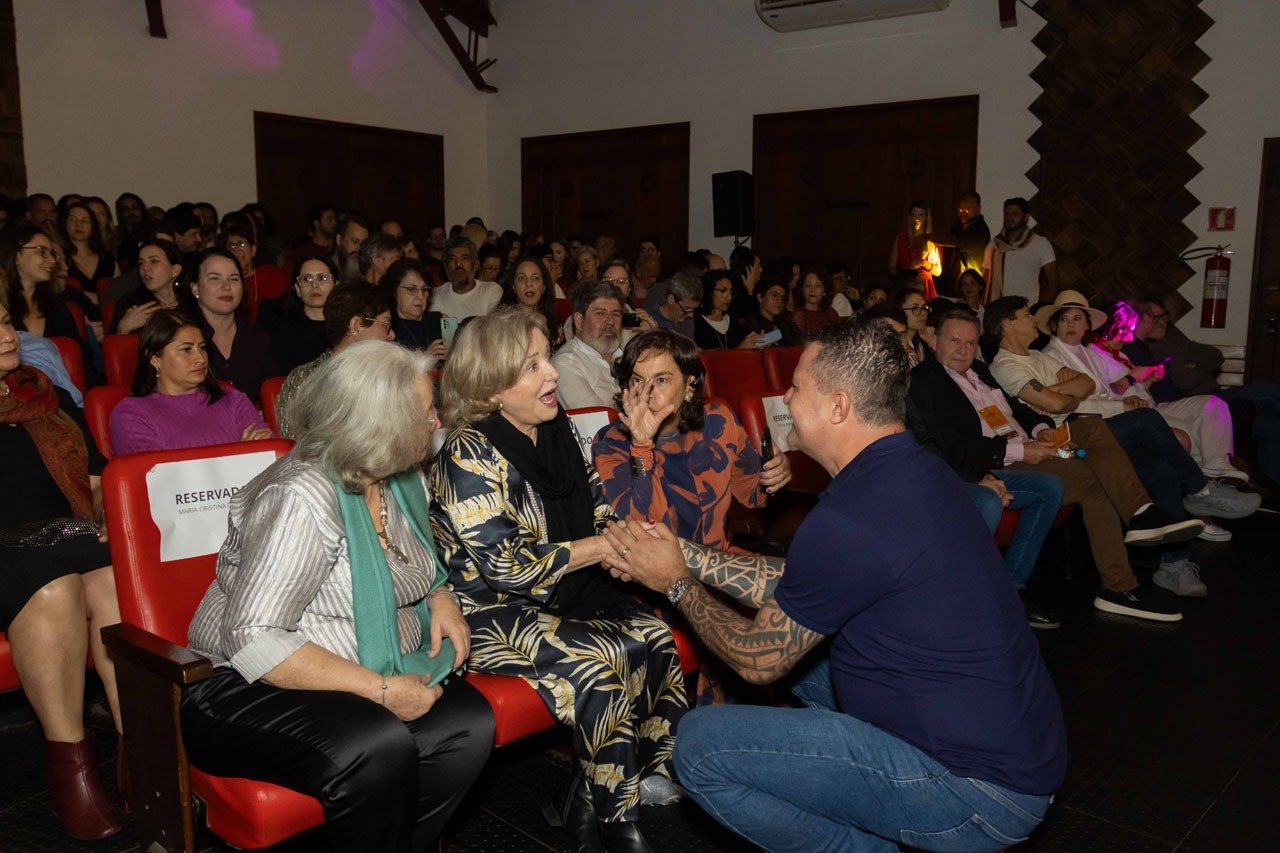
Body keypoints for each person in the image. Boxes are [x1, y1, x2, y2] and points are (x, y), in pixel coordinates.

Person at [603, 319, 1067, 851]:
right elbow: (803, 580)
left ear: (839, 406)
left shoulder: (849, 518)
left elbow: (758, 660)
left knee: (700, 746)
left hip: (974, 793)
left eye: (797, 387)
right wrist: (682, 552)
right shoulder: (914, 470)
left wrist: (677, 581)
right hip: (1021, 748)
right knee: (809, 669)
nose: (785, 397)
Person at [182, 342, 493, 853]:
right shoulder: (301, 497)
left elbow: (420, 561)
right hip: (245, 684)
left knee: (468, 723)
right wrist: (382, 691)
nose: (436, 421)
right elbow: (255, 638)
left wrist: (441, 598)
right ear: (379, 425)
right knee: (375, 745)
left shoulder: (399, 478)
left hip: (366, 661)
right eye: (423, 413)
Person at [430, 308, 686, 853]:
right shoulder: (467, 452)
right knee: (601, 665)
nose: (552, 373)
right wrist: (600, 549)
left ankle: (593, 793)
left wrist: (625, 543)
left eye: (548, 357)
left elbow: (596, 505)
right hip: (489, 612)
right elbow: (506, 566)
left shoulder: (556, 427)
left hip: (564, 592)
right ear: (491, 388)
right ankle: (615, 821)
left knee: (656, 637)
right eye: (533, 366)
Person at [906, 309, 1205, 625]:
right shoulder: (925, 381)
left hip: (1033, 444)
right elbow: (954, 447)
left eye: (970, 343)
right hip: (1002, 462)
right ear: (934, 339)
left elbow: (1018, 409)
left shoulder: (979, 369)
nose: (963, 350)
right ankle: (1122, 580)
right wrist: (1022, 449)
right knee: (1099, 477)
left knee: (1092, 428)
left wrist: (1041, 430)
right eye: (954, 341)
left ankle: (1141, 516)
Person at [987, 296, 1257, 598]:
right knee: (1146, 421)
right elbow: (1057, 404)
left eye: (1077, 318)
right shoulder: (1007, 364)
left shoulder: (1039, 357)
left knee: (1162, 470)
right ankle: (1201, 490)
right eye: (1027, 314)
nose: (1033, 319)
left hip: (1083, 431)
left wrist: (1056, 395)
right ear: (1007, 324)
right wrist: (1063, 396)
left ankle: (1175, 564)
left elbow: (1086, 384)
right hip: (1068, 439)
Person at [0, 307, 125, 840]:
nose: (7, 335)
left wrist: (106, 515)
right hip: (5, 547)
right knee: (53, 588)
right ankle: (72, 769)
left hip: (67, 532)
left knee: (116, 576)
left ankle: (141, 751)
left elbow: (96, 481)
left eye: (6, 320)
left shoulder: (44, 393)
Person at [594, 329, 791, 552]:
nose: (647, 393)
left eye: (661, 380)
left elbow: (755, 496)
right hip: (656, 565)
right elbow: (638, 533)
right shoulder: (612, 441)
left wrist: (776, 476)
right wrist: (641, 445)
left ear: (689, 385)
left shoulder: (716, 421)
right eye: (637, 380)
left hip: (716, 560)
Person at [1042, 292, 1246, 484]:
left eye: (1077, 318)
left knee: (1213, 404)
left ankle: (1214, 473)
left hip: (1138, 407)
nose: (1070, 324)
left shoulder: (1092, 354)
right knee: (1184, 436)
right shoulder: (1058, 356)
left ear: (1087, 324)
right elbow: (1080, 401)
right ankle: (1204, 488)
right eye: (1064, 319)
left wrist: (1142, 384)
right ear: (1055, 324)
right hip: (1099, 422)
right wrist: (1129, 393)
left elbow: (1113, 390)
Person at [1125, 294, 1280, 489]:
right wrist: (1193, 366)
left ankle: (1272, 492)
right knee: (1267, 393)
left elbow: (1215, 356)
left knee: (1272, 425)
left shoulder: (1174, 339)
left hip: (1203, 396)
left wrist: (1192, 364)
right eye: (1155, 317)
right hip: (1188, 401)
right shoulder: (1143, 347)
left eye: (1164, 316)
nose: (1162, 322)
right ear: (1141, 319)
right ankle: (1230, 475)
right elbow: (1185, 380)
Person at [109, 311, 272, 455]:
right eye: (186, 350)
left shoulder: (232, 399)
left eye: (202, 348)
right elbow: (157, 474)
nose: (200, 358)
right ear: (155, 358)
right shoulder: (131, 414)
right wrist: (239, 455)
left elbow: (270, 455)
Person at [276, 282, 396, 440]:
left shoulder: (389, 378)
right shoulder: (304, 379)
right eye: (386, 325)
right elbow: (294, 443)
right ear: (357, 326)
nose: (391, 335)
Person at [186, 247, 278, 404]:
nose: (226, 286)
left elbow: (273, 393)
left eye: (234, 279)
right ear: (195, 289)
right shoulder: (179, 337)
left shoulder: (255, 335)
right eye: (215, 278)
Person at [552, 280, 627, 410]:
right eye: (600, 314)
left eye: (615, 314)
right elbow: (597, 417)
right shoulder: (566, 363)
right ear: (579, 321)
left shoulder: (626, 357)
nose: (610, 321)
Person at [3, 226, 85, 344]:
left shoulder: (56, 306)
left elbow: (76, 350)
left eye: (52, 254)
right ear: (16, 256)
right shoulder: (2, 306)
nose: (52, 260)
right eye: (42, 251)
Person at [982, 197, 1059, 303]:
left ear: (1025, 217)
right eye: (1007, 214)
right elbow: (984, 281)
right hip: (997, 309)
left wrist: (1041, 309)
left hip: (1027, 309)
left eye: (1015, 214)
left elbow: (1053, 283)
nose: (1009, 218)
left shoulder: (1041, 244)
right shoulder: (994, 245)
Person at [269, 255, 337, 373]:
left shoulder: (349, 327)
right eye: (307, 279)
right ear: (298, 289)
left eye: (322, 278)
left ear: (336, 285)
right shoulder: (282, 331)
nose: (314, 285)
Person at [108, 238, 184, 335]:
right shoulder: (131, 304)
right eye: (141, 263)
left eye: (154, 261)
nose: (145, 268)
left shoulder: (192, 301)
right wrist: (123, 329)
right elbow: (112, 342)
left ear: (175, 270)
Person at [386, 257, 449, 362]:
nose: (420, 296)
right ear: (394, 290)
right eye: (411, 289)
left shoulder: (441, 320)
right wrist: (424, 358)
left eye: (424, 290)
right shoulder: (387, 328)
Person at [222, 221, 287, 315]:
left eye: (241, 244)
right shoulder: (224, 282)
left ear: (253, 250)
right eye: (231, 246)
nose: (236, 249)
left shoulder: (271, 274)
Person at [499, 254, 566, 348]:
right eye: (521, 278)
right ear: (513, 286)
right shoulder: (499, 324)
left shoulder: (554, 326)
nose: (529, 283)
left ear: (544, 286)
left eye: (535, 278)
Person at [430, 236, 502, 320]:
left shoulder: (490, 290)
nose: (458, 264)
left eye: (464, 258)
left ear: (476, 264)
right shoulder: (436, 295)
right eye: (452, 259)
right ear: (446, 267)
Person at [59, 201, 119, 290]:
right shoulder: (59, 259)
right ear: (65, 224)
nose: (79, 224)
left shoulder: (107, 259)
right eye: (72, 219)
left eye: (85, 221)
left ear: (93, 227)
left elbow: (119, 292)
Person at [888, 201, 941, 299]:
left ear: (926, 218)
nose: (917, 219)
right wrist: (903, 278)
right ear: (909, 217)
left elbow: (938, 271)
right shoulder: (901, 238)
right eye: (914, 215)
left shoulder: (930, 240)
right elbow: (891, 267)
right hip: (906, 285)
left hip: (924, 286)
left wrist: (923, 263)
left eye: (921, 215)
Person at [693, 270, 753, 350]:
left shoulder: (733, 322)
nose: (729, 297)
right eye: (723, 291)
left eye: (731, 292)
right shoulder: (695, 323)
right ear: (708, 291)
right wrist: (739, 349)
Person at [738, 276, 802, 348]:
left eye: (782, 297)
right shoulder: (750, 325)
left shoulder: (786, 323)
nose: (780, 300)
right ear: (760, 297)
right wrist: (771, 338)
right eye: (774, 295)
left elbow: (800, 343)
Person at [790, 269, 842, 338]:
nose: (812, 290)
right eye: (808, 285)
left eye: (818, 286)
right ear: (802, 290)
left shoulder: (831, 313)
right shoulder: (799, 315)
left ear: (825, 291)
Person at [651, 272, 702, 338]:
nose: (691, 315)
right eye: (687, 308)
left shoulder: (687, 317)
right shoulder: (649, 320)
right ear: (671, 299)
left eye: (695, 309)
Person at [895, 286, 934, 368]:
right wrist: (931, 346)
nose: (923, 313)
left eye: (924, 308)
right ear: (899, 310)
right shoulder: (896, 344)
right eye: (915, 308)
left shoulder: (920, 343)